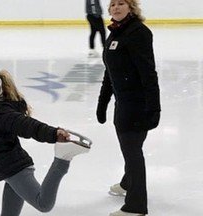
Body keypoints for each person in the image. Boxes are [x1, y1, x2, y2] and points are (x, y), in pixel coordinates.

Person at [0, 68, 90, 216]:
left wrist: (53, 133)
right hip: (7, 171)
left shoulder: (1, 113)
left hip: (16, 170)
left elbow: (28, 126)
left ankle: (62, 159)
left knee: (43, 204)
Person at [96, 0, 161, 216]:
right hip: (122, 104)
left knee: (132, 152)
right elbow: (110, 71)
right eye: (113, 4)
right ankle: (127, 183)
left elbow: (148, 73)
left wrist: (154, 108)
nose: (116, 7)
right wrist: (102, 102)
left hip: (136, 105)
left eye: (121, 3)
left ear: (131, 7)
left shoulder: (138, 32)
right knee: (130, 148)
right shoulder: (116, 32)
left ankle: (136, 205)